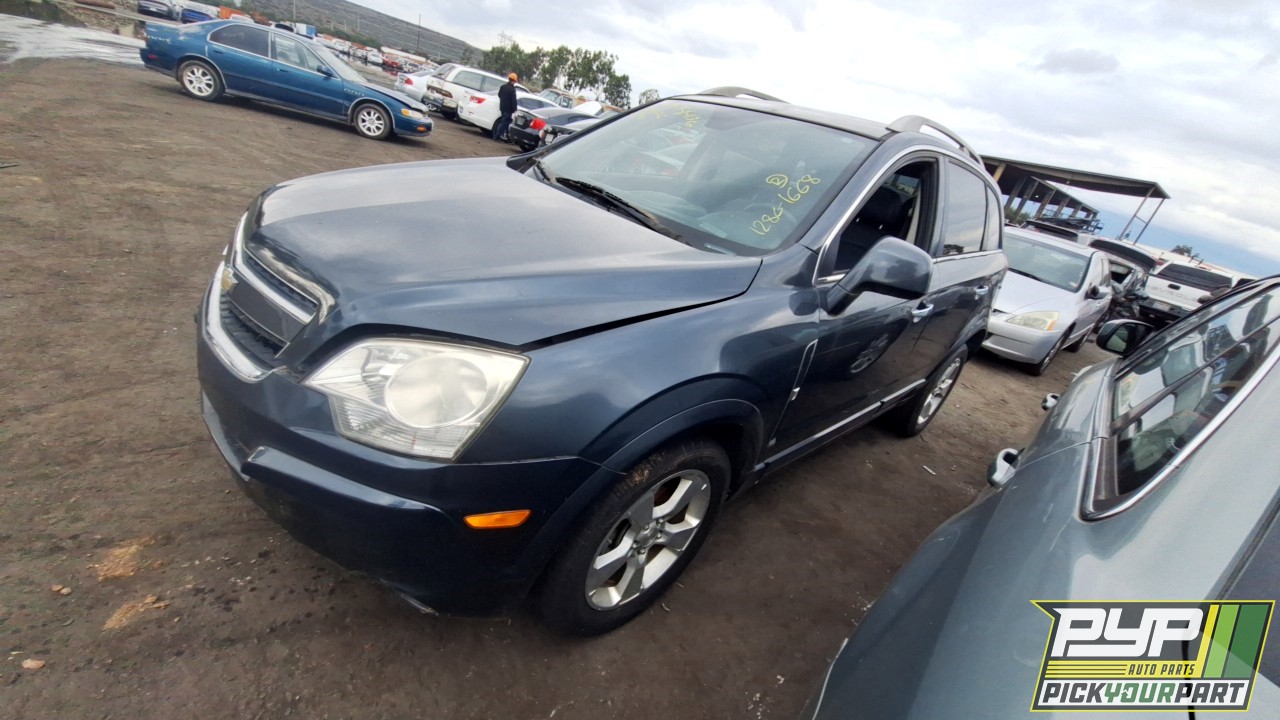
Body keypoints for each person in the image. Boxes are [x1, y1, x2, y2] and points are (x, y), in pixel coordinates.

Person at [492, 72, 518, 142]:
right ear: (513, 81)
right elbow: (513, 101)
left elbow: (499, 95)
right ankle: (497, 136)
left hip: (502, 108)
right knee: (504, 123)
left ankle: (508, 138)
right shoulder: (512, 90)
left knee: (506, 122)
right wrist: (515, 109)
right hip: (509, 109)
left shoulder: (503, 86)